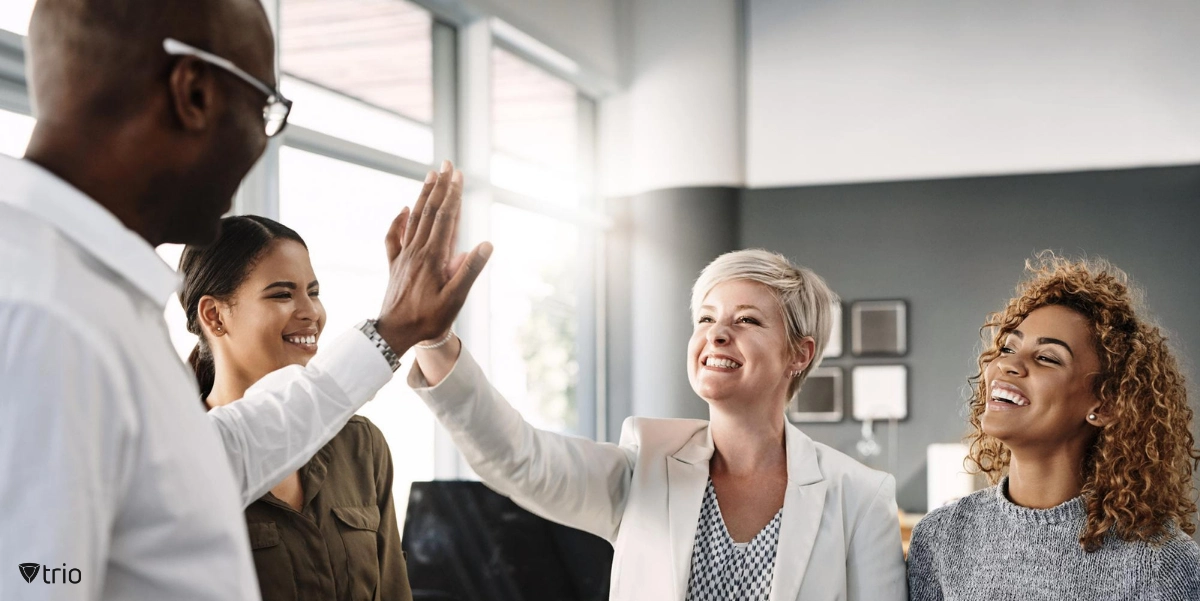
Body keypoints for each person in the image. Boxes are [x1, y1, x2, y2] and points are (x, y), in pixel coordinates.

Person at [0, 0, 490, 598]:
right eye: (263, 106)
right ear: (195, 93)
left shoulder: (80, 289)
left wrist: (393, 333)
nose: (262, 139)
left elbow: (214, 459)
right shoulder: (41, 313)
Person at [408, 249, 906, 600]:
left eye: (748, 321)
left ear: (800, 353)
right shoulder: (645, 464)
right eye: (706, 319)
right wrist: (434, 341)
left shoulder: (859, 497)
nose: (717, 335)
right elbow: (522, 460)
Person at [906, 252, 1200, 600]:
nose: (1008, 365)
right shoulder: (939, 538)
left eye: (1047, 357)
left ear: (1104, 405)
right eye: (1007, 347)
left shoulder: (1161, 563)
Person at [179, 215, 411, 601]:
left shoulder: (360, 444)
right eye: (282, 294)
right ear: (214, 316)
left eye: (313, 292)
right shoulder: (177, 459)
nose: (312, 313)